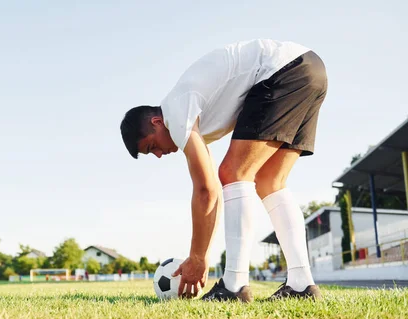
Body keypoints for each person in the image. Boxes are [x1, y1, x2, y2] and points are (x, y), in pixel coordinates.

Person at [120, 39, 326, 302]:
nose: (159, 154)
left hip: (282, 69)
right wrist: (201, 254)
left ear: (156, 122)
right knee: (269, 182)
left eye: (152, 147)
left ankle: (234, 285)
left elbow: (207, 189)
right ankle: (301, 284)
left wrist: (197, 258)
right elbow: (211, 192)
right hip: (310, 69)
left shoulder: (176, 111)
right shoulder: (188, 117)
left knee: (234, 172)